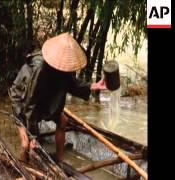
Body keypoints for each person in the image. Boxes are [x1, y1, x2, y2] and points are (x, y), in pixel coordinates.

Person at [9, 32, 106, 162]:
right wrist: (33, 136)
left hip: (42, 98)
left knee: (63, 121)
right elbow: (29, 103)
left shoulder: (62, 68)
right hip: (22, 100)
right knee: (26, 144)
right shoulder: (39, 69)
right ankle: (22, 165)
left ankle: (59, 159)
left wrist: (92, 86)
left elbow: (72, 83)